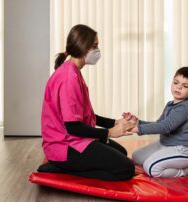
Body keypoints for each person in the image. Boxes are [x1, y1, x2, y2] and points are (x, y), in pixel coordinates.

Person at [38, 24, 135, 181]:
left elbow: (84, 116)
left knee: (121, 154)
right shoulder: (69, 78)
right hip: (65, 147)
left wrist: (115, 122)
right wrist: (110, 132)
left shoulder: (72, 71)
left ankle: (67, 167)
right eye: (95, 46)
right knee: (126, 170)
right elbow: (73, 126)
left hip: (74, 140)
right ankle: (60, 169)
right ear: (83, 46)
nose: (98, 50)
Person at [124, 67, 188, 178]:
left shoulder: (185, 108)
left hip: (186, 149)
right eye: (176, 83)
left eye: (185, 86)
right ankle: (169, 159)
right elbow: (159, 123)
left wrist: (138, 129)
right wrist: (138, 123)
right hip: (167, 144)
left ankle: (186, 171)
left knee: (151, 168)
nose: (179, 87)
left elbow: (165, 127)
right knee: (136, 157)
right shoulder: (170, 104)